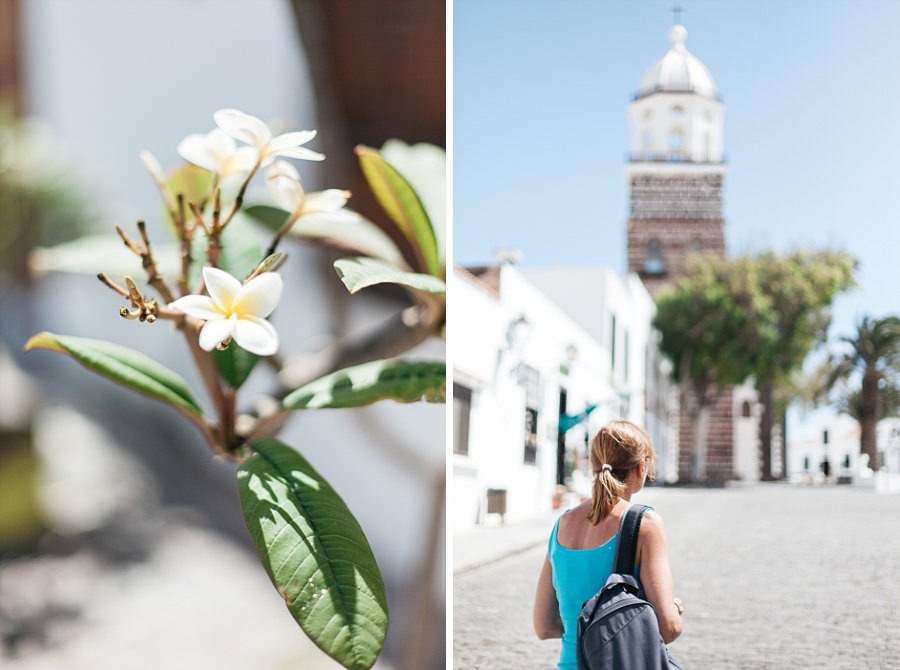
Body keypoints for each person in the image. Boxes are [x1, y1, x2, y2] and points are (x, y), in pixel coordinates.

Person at [533, 420, 683, 669]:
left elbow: (543, 626)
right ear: (641, 467)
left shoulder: (563, 524)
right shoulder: (644, 523)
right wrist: (675, 609)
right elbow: (667, 629)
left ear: (593, 465)